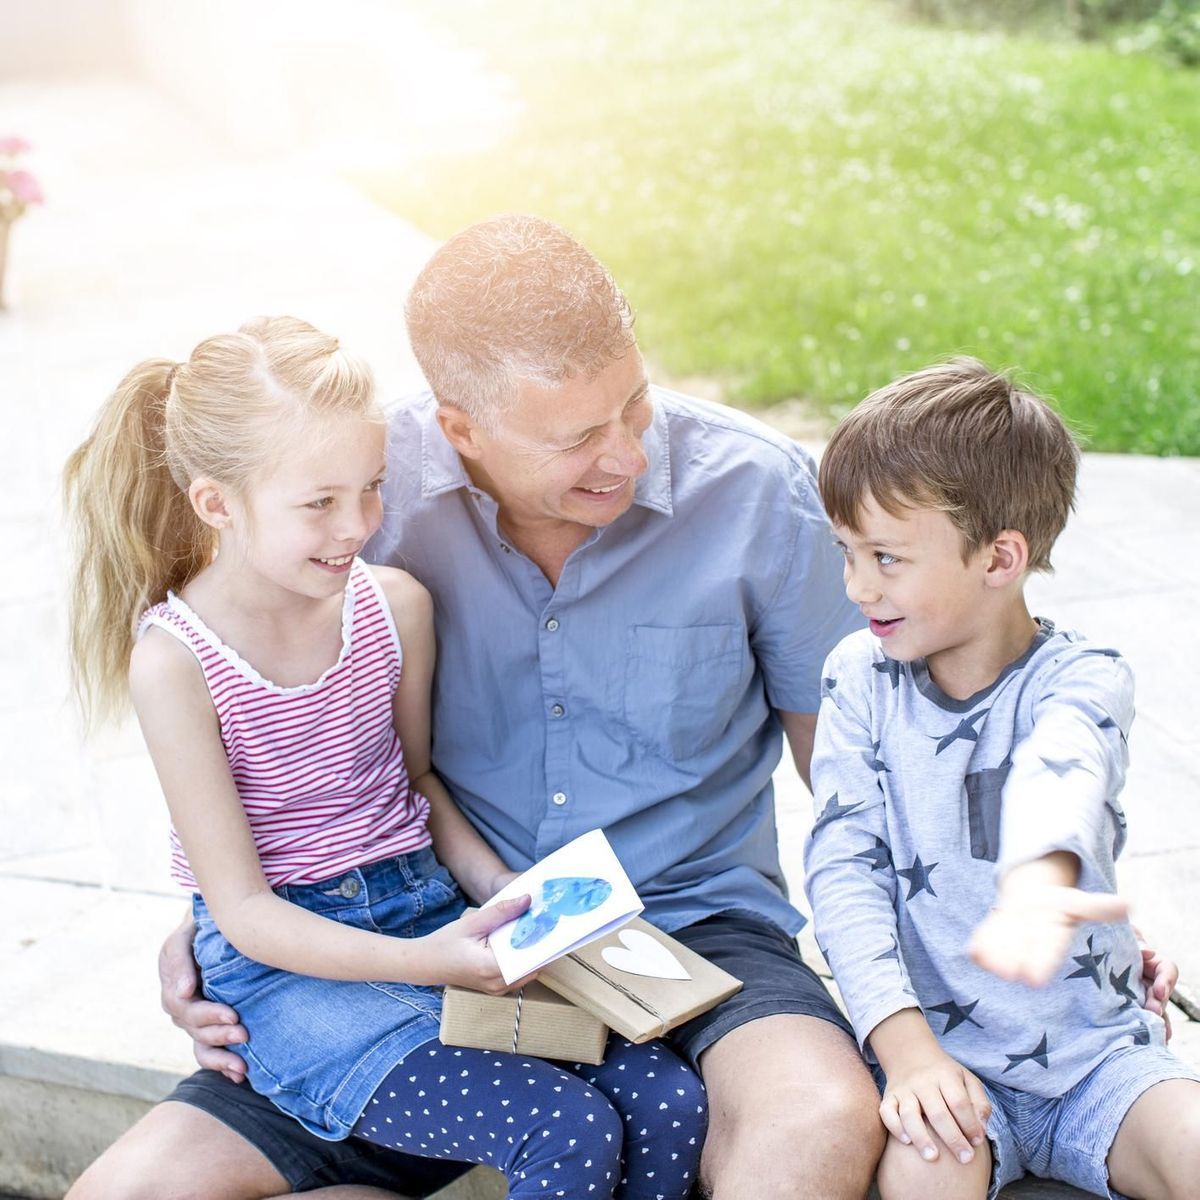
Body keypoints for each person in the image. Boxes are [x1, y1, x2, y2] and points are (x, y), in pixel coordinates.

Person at [61, 314, 708, 1200]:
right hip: (292, 974)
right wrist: (433, 961)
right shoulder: (177, 662)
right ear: (217, 504)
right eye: (318, 503)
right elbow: (244, 911)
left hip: (426, 913)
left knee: (668, 1098)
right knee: (568, 1125)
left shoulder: (395, 607)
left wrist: (507, 896)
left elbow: (415, 786)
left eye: (370, 488)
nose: (358, 524)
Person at [804, 358, 1200, 1200]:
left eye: (885, 556)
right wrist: (907, 1052)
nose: (856, 585)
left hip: (1101, 1060)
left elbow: (1065, 770)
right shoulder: (857, 678)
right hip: (943, 1065)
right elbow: (845, 868)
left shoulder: (1085, 679)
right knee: (923, 1177)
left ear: (1000, 558)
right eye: (846, 551)